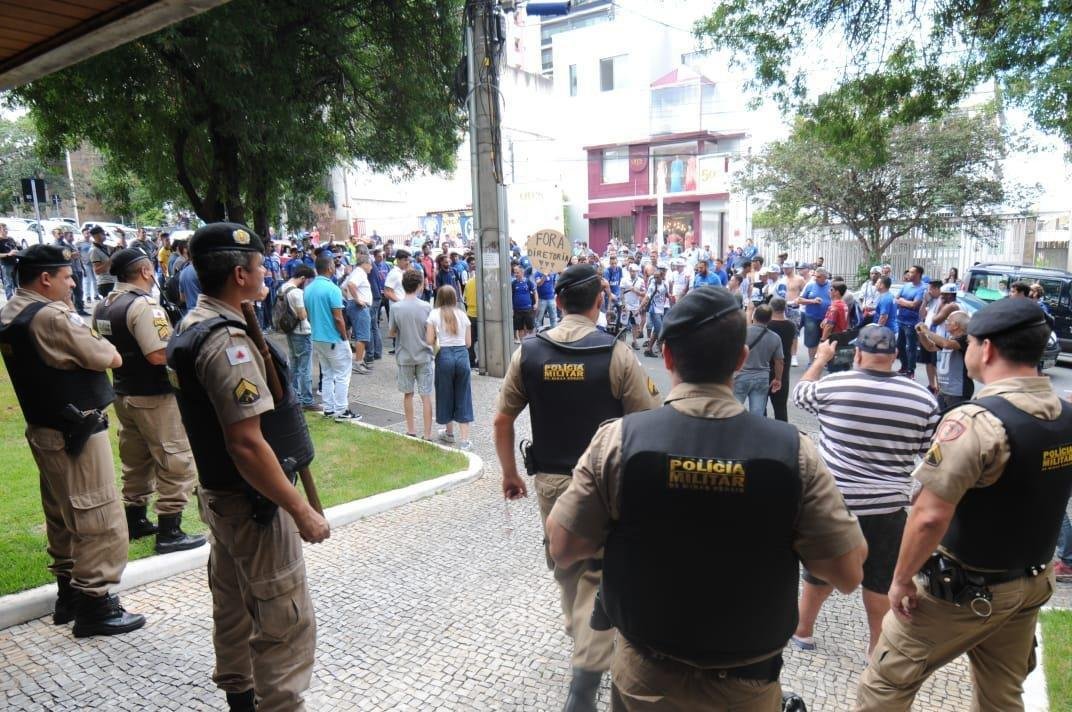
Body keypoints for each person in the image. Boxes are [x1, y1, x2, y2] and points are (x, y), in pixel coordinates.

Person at [545, 286, 866, 712]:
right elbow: (846, 573)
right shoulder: (793, 451)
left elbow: (564, 548)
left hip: (646, 678)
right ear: (738, 360)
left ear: (669, 357)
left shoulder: (618, 442)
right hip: (746, 685)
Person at [856, 297, 1072, 711]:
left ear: (985, 348)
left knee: (884, 684)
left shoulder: (976, 421)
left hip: (965, 590)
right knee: (1002, 692)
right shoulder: (1064, 413)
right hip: (1030, 581)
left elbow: (929, 515)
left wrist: (901, 579)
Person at [166, 223, 329, 712]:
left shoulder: (195, 324)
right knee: (283, 621)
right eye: (260, 267)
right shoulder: (227, 344)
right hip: (252, 503)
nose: (267, 272)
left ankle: (240, 697)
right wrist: (301, 510)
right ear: (240, 274)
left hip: (223, 499)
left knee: (235, 604)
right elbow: (246, 444)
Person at [494, 263, 660, 712]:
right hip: (608, 482)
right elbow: (646, 420)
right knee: (600, 571)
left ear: (560, 301)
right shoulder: (617, 354)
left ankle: (583, 641)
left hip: (550, 481)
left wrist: (509, 473)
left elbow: (502, 417)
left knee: (567, 565)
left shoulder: (528, 353)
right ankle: (587, 670)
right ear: (598, 302)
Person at [0, 244, 145, 637]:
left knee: (62, 513)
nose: (73, 281)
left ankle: (69, 593)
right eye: (66, 276)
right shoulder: (52, 317)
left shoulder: (13, 310)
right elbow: (108, 357)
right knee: (98, 514)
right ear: (45, 279)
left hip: (46, 430)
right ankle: (95, 604)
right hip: (75, 432)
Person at [791, 325, 938, 656]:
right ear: (896, 357)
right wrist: (919, 490)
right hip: (887, 510)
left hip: (834, 504)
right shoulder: (922, 399)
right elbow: (934, 457)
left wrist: (821, 359)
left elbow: (800, 393)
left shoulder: (834, 385)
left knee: (819, 571)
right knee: (881, 580)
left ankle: (803, 630)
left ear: (857, 354)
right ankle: (876, 650)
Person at [92, 248, 206, 554]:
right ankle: (170, 530)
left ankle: (136, 520)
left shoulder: (104, 304)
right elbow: (158, 353)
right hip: (154, 396)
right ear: (145, 272)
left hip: (123, 391)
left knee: (136, 459)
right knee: (175, 459)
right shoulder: (145, 306)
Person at [305, 253, 361, 422]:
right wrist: (345, 338)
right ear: (330, 268)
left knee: (328, 374)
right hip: (333, 338)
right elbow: (338, 318)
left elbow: (308, 314)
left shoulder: (308, 289)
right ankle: (342, 410)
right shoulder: (333, 289)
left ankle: (329, 408)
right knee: (343, 374)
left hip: (317, 337)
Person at [388, 269, 435, 439]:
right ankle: (428, 433)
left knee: (408, 394)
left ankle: (411, 429)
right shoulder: (427, 307)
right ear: (419, 285)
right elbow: (432, 332)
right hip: (424, 355)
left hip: (404, 355)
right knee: (426, 395)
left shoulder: (396, 308)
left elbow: (392, 332)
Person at [426, 285, 473, 450]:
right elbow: (468, 343)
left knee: (445, 393)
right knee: (463, 394)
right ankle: (465, 440)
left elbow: (429, 339)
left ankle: (449, 432)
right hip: (461, 355)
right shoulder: (462, 315)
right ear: (455, 298)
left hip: (444, 355)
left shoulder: (434, 314)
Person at [278, 264, 318, 411]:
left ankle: (294, 396)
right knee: (305, 367)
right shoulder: (297, 293)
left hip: (290, 329)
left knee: (294, 364)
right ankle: (306, 400)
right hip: (302, 332)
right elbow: (302, 315)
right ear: (303, 278)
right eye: (307, 280)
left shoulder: (283, 287)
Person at [733, 304, 783, 415]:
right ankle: (754, 432)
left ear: (754, 316)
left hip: (741, 375)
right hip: (762, 377)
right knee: (757, 412)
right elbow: (779, 361)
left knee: (733, 410)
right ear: (769, 319)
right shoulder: (775, 337)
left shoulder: (742, 333)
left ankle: (732, 431)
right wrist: (778, 379)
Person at [918, 310, 974, 411]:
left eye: (948, 321)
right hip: (944, 390)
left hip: (958, 392)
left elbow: (946, 345)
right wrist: (921, 334)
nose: (946, 323)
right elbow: (930, 347)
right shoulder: (949, 338)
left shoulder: (965, 339)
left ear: (956, 325)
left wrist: (927, 331)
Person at [766, 297, 798, 421]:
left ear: (771, 307)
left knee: (760, 405)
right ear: (784, 308)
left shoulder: (766, 325)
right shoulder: (791, 325)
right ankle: (782, 433)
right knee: (780, 407)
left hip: (766, 366)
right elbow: (792, 344)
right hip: (783, 368)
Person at [341, 254, 373, 375]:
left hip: (354, 305)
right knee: (363, 335)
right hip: (360, 307)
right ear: (364, 263)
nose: (371, 267)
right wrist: (357, 299)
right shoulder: (359, 272)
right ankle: (358, 362)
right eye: (370, 264)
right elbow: (350, 285)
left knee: (359, 334)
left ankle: (358, 361)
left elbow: (343, 287)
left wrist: (350, 298)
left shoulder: (355, 272)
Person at [894, 265, 926, 378]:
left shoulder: (922, 288)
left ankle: (911, 370)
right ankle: (904, 366)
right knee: (899, 345)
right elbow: (896, 299)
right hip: (901, 320)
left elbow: (914, 305)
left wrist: (902, 301)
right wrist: (904, 302)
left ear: (918, 274)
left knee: (911, 347)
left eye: (912, 272)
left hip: (912, 322)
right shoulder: (906, 286)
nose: (909, 274)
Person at [798, 267, 832, 363]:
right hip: (811, 317)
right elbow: (799, 300)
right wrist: (812, 301)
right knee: (812, 341)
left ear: (825, 277)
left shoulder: (831, 285)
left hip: (827, 318)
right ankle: (811, 361)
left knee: (825, 340)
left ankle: (823, 361)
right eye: (815, 276)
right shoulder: (810, 285)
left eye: (818, 277)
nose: (816, 278)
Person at [383, 249, 411, 354]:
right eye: (405, 260)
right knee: (400, 336)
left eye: (408, 260)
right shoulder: (394, 273)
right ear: (398, 260)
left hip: (405, 307)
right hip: (398, 309)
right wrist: (401, 302)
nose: (407, 262)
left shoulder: (403, 272)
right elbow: (387, 292)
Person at [89, 226, 117, 298]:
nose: (104, 235)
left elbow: (121, 248)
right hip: (106, 283)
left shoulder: (107, 247)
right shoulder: (94, 250)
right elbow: (97, 270)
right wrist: (111, 260)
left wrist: (122, 235)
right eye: (102, 233)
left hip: (114, 280)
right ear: (96, 236)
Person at [511, 264, 536, 342]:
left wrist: (536, 303)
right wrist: (512, 308)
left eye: (517, 272)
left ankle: (531, 344)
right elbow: (511, 295)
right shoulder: (513, 283)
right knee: (520, 329)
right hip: (517, 310)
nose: (516, 274)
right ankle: (522, 345)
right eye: (514, 273)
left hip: (528, 309)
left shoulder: (528, 282)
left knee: (530, 328)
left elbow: (535, 292)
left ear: (522, 272)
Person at [463, 256, 480, 368]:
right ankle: (482, 361)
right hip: (481, 316)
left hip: (470, 314)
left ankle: (471, 361)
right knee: (483, 341)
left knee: (471, 341)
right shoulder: (484, 282)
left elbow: (464, 299)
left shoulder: (469, 282)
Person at [0, 221, 19, 299]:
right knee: (8, 283)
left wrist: (18, 247)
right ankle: (10, 301)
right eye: (4, 229)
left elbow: (16, 249)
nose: (6, 230)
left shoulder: (11, 239)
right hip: (6, 265)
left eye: (6, 229)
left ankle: (18, 300)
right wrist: (8, 254)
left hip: (15, 263)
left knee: (17, 282)